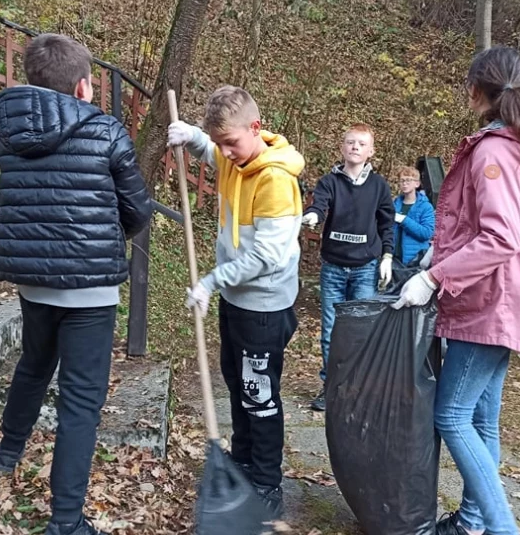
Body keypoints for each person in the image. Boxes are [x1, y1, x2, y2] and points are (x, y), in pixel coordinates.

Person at [0, 34, 152, 535]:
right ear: (83, 87)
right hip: (90, 289)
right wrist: (104, 236)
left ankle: (7, 453)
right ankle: (65, 522)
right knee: (81, 400)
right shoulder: (106, 131)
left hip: (34, 280)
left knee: (34, 366)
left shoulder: (10, 133)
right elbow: (137, 209)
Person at [394, 46, 520, 535]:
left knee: (451, 415)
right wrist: (437, 253)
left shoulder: (494, 150)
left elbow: (501, 237)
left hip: (493, 299)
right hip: (505, 293)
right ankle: (472, 524)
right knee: (483, 418)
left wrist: (433, 278)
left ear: (475, 90)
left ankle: (502, 528)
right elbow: (480, 225)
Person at [166, 85, 305, 517]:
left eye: (231, 142)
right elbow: (213, 152)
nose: (225, 152)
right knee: (238, 383)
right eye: (220, 142)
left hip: (265, 306)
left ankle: (266, 483)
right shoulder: (234, 159)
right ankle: (244, 461)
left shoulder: (275, 180)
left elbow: (266, 256)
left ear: (256, 128)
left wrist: (211, 281)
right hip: (236, 300)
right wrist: (192, 136)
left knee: (259, 395)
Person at [302, 123, 395, 412]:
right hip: (333, 268)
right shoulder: (329, 182)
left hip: (365, 268)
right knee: (331, 331)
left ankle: (357, 389)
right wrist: (314, 215)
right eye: (350, 142)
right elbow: (320, 204)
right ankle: (332, 387)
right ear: (342, 147)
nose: (355, 147)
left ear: (371, 151)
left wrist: (387, 256)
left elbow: (387, 223)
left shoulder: (379, 186)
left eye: (361, 144)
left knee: (361, 331)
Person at [391, 165, 436, 267]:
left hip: (415, 261)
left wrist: (403, 220)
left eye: (408, 180)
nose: (404, 183)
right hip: (394, 260)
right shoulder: (394, 204)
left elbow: (427, 233)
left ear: (417, 183)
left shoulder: (425, 207)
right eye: (402, 180)